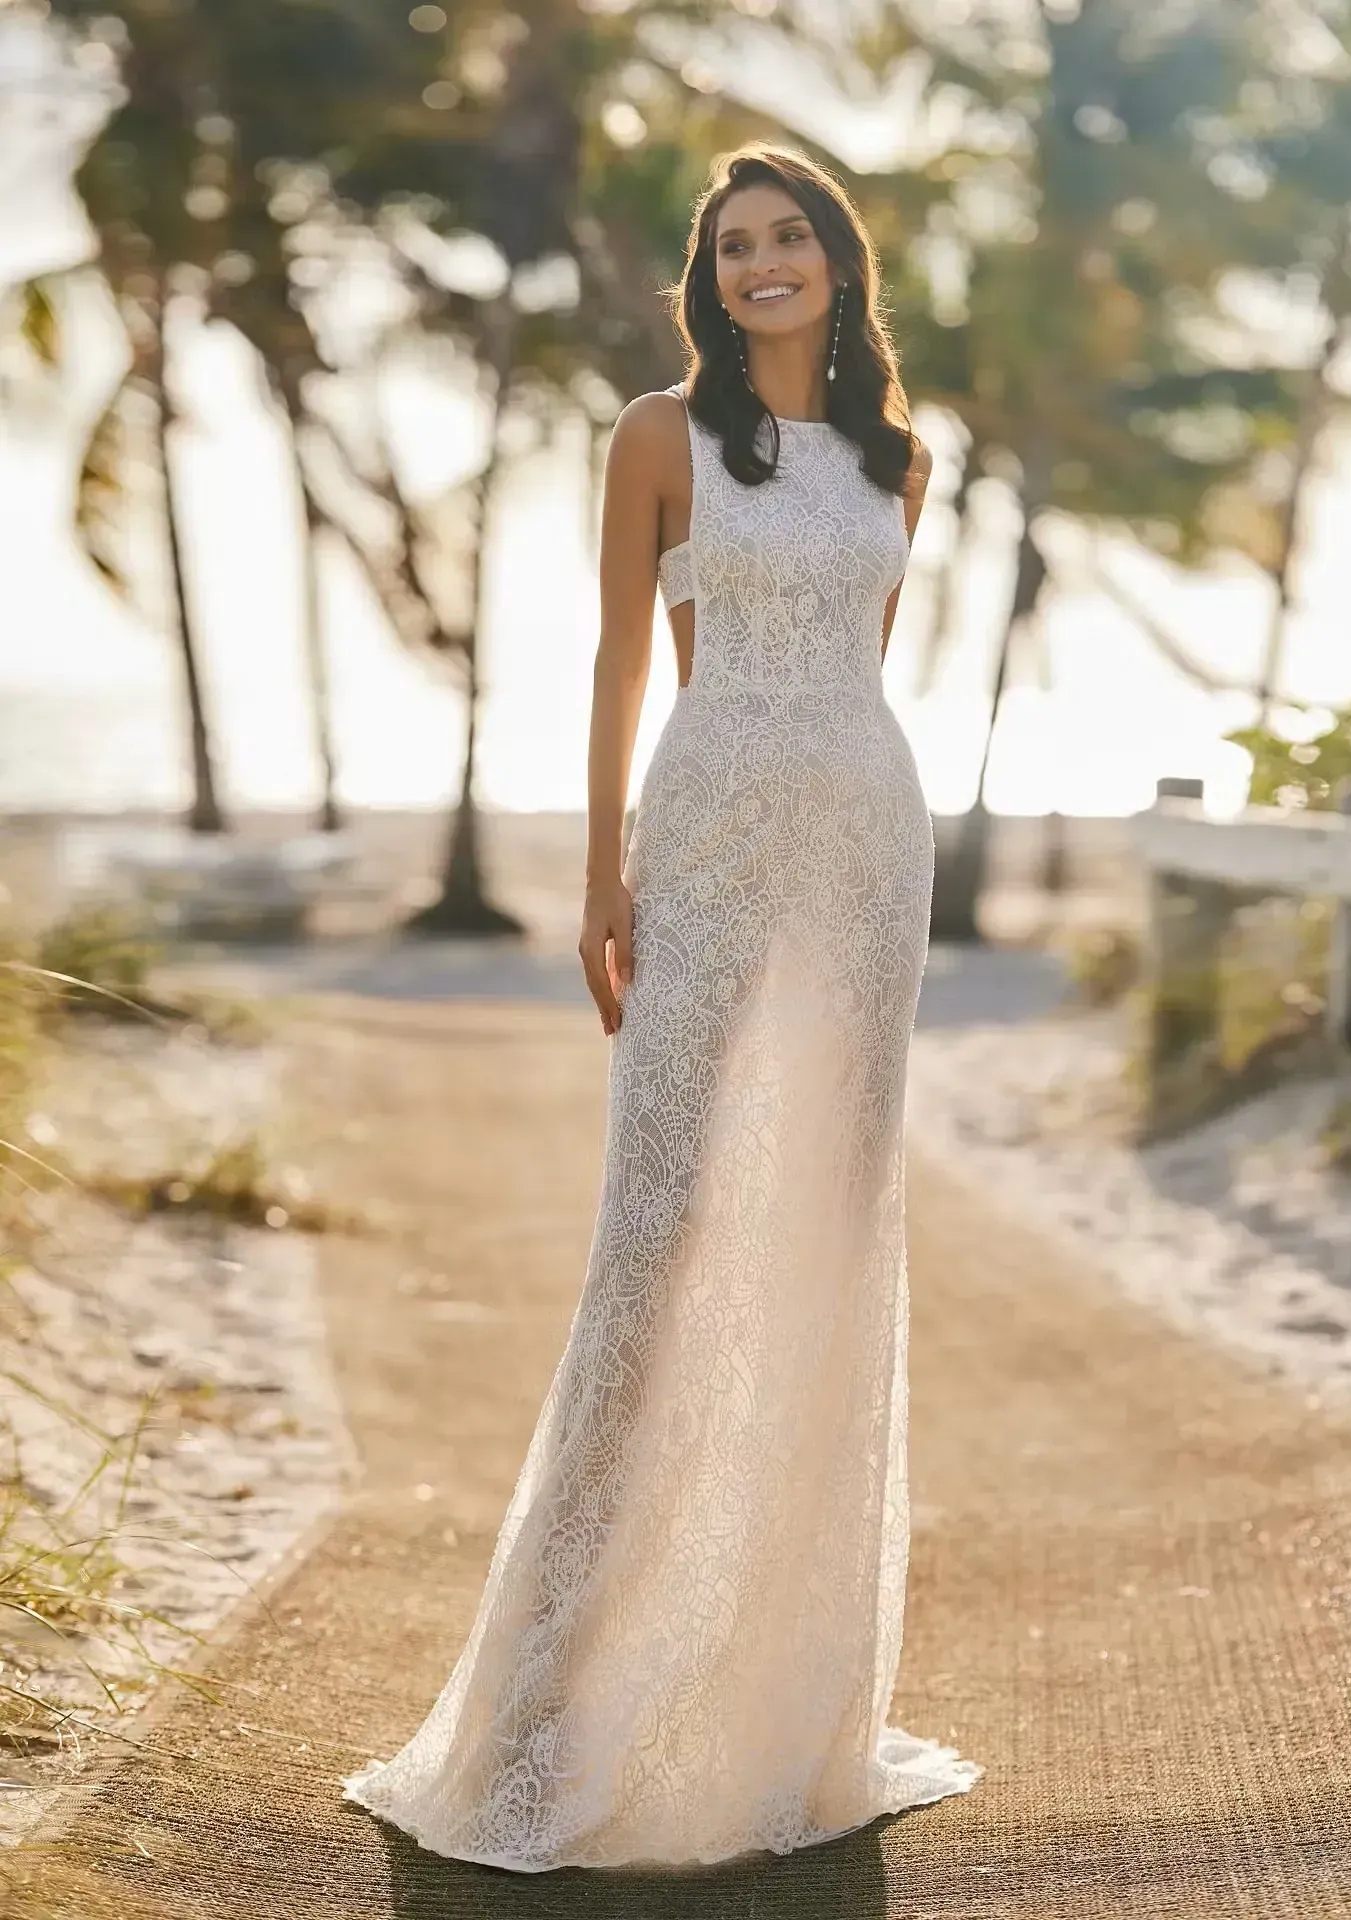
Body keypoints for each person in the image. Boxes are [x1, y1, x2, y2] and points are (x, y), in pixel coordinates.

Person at [342, 141, 982, 1873]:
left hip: (866, 837)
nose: (763, 263)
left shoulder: (898, 458)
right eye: (735, 245)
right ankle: (549, 1701)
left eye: (790, 239)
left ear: (840, 264)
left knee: (834, 1231)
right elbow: (635, 662)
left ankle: (793, 1709)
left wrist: (804, 790)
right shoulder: (654, 432)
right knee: (664, 1226)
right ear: (709, 277)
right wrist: (606, 872)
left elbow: (860, 663)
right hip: (703, 827)